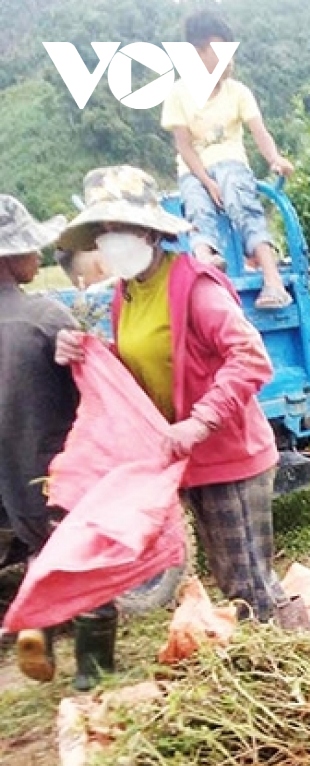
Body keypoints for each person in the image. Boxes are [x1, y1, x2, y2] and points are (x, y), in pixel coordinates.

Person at [53, 166, 306, 630]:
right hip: (186, 456)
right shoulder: (127, 294)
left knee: (250, 583)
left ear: (150, 231)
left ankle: (295, 665)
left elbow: (249, 358)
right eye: (105, 231)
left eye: (121, 228)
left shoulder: (195, 286)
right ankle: (270, 661)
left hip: (229, 454)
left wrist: (200, 421)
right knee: (233, 581)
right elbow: (146, 362)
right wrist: (88, 353)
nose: (111, 240)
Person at [0, 195, 120, 691]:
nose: (40, 255)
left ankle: (38, 629)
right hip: (58, 473)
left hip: (10, 488)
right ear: (9, 259)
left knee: (39, 553)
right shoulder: (46, 318)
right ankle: (93, 673)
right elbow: (97, 384)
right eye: (30, 247)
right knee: (89, 561)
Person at [161, 10, 295, 309]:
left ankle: (272, 280)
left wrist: (275, 159)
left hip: (231, 163)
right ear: (197, 54)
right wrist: (207, 183)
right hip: (195, 171)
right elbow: (184, 147)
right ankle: (207, 262)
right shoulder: (178, 94)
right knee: (196, 207)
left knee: (239, 198)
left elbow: (259, 132)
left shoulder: (238, 93)